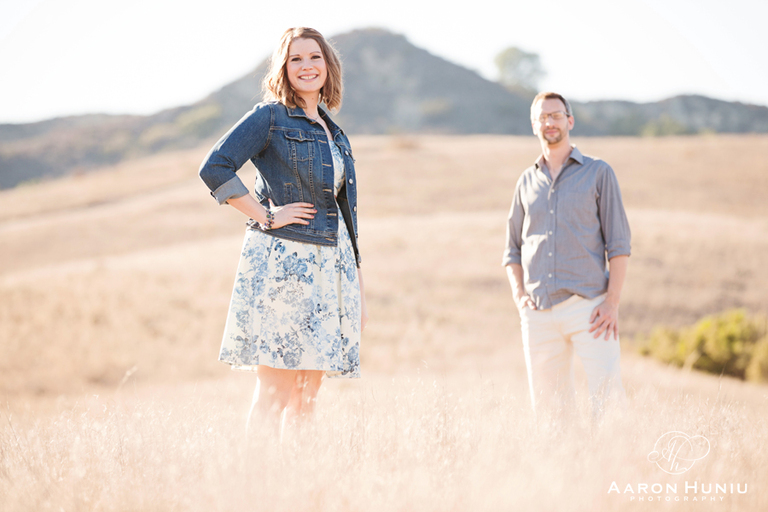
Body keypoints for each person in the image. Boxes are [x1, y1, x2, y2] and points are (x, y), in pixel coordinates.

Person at [199, 27, 368, 438]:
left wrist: (357, 284)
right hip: (286, 268)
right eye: (296, 59)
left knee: (307, 396)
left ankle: (296, 488)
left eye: (315, 57)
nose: (307, 66)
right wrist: (265, 215)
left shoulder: (334, 131)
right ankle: (253, 486)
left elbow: (344, 214)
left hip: (332, 268)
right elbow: (215, 167)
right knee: (275, 391)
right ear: (283, 68)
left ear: (328, 65)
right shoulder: (269, 117)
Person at [503, 91, 631, 421]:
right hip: (539, 313)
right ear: (534, 125)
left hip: (590, 308)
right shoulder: (526, 181)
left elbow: (618, 244)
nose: (549, 122)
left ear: (569, 121)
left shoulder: (598, 173)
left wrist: (611, 302)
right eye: (542, 117)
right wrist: (520, 297)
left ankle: (615, 467)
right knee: (549, 415)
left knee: (609, 403)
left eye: (556, 115)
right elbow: (512, 249)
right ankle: (563, 471)